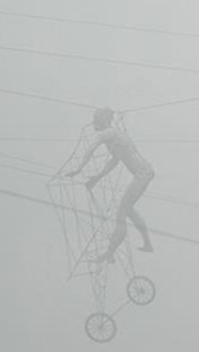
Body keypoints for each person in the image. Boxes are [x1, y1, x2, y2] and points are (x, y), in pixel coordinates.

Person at [65, 107, 155, 263]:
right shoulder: (115, 136)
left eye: (96, 119)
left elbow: (91, 148)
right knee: (128, 210)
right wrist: (98, 177)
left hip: (142, 174)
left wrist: (79, 168)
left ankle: (109, 254)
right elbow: (114, 161)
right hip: (144, 172)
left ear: (104, 120)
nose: (93, 122)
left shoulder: (108, 133)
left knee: (121, 213)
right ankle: (146, 244)